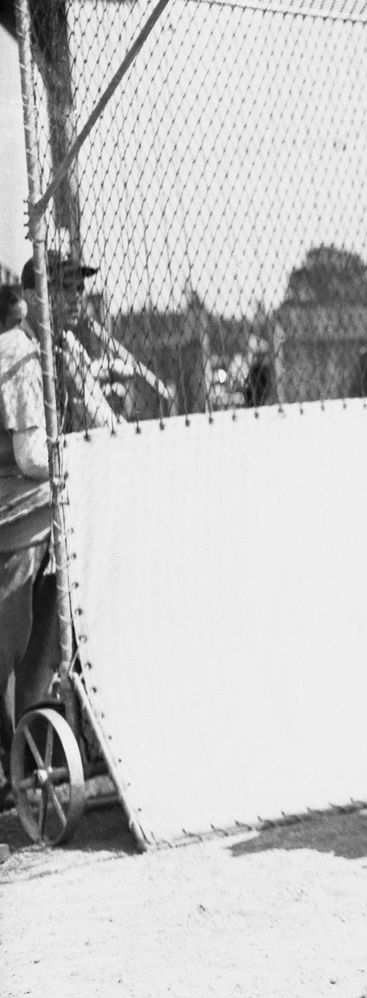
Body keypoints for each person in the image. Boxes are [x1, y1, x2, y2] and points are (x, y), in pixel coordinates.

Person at [0, 279, 61, 759]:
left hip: (18, 516)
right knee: (19, 647)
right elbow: (30, 456)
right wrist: (76, 456)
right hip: (24, 519)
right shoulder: (19, 352)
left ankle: (20, 757)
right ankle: (22, 757)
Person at [8, 254, 171, 431]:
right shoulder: (19, 350)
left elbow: (97, 408)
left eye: (79, 288)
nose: (76, 297)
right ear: (32, 297)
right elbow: (29, 455)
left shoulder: (67, 344)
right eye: (64, 287)